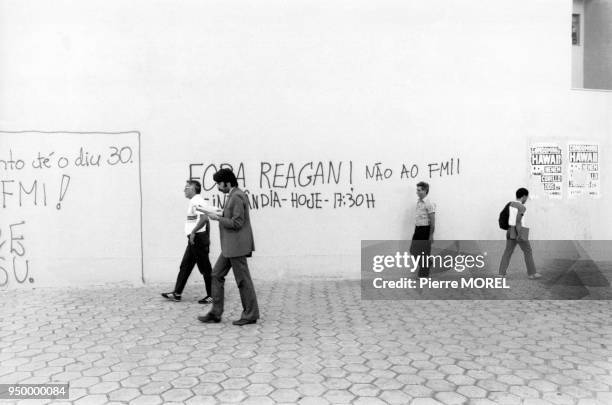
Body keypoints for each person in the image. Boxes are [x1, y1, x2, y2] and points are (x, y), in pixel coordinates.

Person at [196, 168, 260, 326]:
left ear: (227, 182)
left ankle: (251, 314)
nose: (218, 187)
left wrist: (217, 218)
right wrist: (219, 214)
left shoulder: (237, 196)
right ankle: (215, 313)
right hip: (229, 246)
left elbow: (237, 223)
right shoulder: (232, 194)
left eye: (219, 183)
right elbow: (231, 217)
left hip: (236, 246)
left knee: (243, 281)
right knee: (216, 274)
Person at [161, 180, 213, 303]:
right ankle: (177, 293)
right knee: (185, 266)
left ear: (194, 189)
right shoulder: (194, 201)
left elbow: (205, 218)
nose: (184, 190)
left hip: (198, 238)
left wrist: (194, 232)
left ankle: (212, 295)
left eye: (187, 187)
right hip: (194, 239)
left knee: (205, 268)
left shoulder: (197, 201)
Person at [498, 188, 542, 279]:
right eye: (526, 197)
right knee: (528, 251)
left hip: (510, 230)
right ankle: (532, 273)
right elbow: (518, 221)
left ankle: (501, 274)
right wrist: (519, 234)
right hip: (518, 231)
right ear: (524, 196)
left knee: (508, 252)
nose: (526, 199)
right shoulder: (521, 207)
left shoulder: (510, 204)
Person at [410, 181, 435, 278]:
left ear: (425, 191)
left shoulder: (429, 203)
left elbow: (433, 221)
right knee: (413, 250)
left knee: (424, 253)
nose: (417, 192)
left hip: (425, 230)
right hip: (418, 230)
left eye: (419, 190)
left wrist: (431, 235)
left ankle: (423, 276)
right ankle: (428, 263)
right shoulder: (419, 202)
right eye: (417, 190)